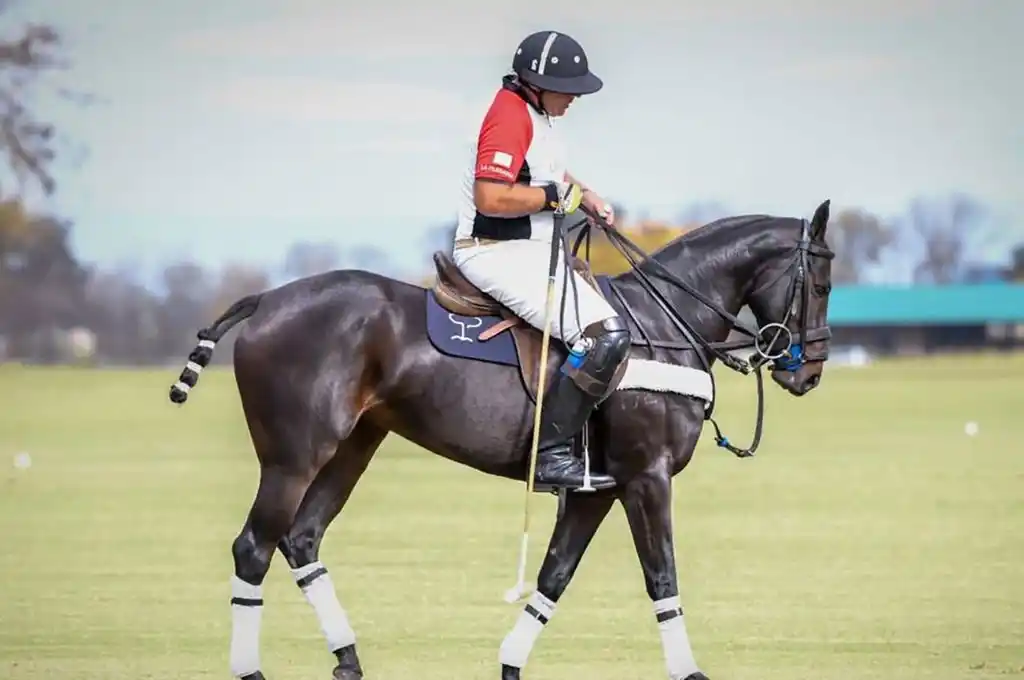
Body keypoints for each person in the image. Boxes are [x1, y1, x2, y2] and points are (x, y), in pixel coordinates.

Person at [452, 30, 631, 493]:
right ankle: (551, 455)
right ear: (537, 82)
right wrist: (555, 198)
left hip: (529, 250)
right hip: (495, 252)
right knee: (605, 335)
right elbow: (490, 196)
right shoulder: (508, 116)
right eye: (568, 88)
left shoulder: (535, 113)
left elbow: (545, 170)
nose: (574, 97)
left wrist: (584, 194)